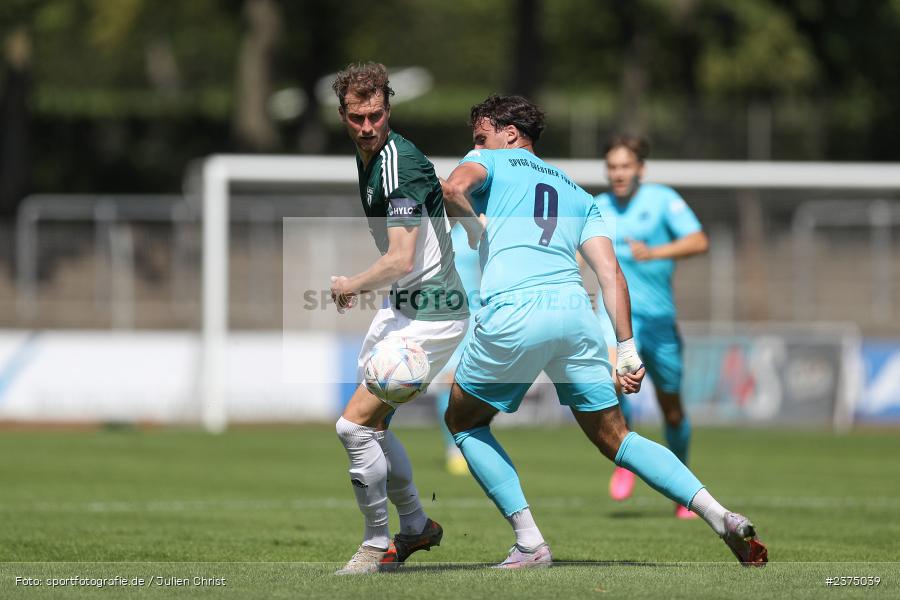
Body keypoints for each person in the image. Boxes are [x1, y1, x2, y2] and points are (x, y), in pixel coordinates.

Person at [441, 94, 767, 569]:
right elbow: (611, 273)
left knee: (464, 421)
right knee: (617, 438)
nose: (476, 145)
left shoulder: (486, 158)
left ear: (509, 133)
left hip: (516, 311)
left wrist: (475, 229)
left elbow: (452, 190)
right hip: (575, 314)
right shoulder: (577, 193)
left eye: (480, 135)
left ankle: (530, 543)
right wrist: (627, 349)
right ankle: (720, 515)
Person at [328, 62, 481, 575]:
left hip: (433, 318)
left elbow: (400, 257)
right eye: (356, 117)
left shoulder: (397, 164)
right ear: (344, 115)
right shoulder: (377, 158)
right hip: (403, 309)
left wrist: (350, 284)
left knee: (353, 426)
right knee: (371, 426)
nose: (367, 126)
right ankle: (415, 527)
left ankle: (376, 545)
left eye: (375, 116)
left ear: (388, 109)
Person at [593, 136, 709, 519]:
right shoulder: (597, 207)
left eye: (624, 166)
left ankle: (683, 489)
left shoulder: (663, 200)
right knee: (615, 381)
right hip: (621, 319)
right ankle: (625, 461)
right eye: (612, 167)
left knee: (672, 410)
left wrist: (654, 251)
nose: (617, 174)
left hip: (661, 322)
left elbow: (698, 240)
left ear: (640, 169)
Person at [432, 224, 481, 476]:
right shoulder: (435, 232)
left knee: (468, 384)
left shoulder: (479, 228)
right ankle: (453, 447)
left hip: (474, 316)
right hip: (445, 316)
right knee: (447, 382)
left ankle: (469, 441)